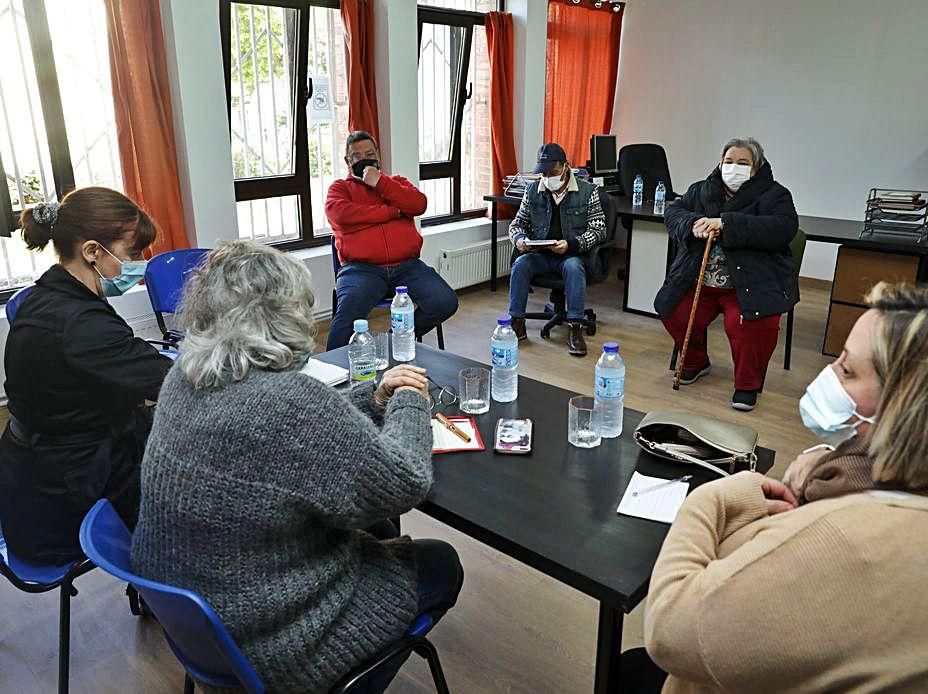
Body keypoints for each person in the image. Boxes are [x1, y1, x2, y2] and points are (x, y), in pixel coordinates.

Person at [131, 241, 463, 694]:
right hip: (264, 637)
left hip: (195, 615)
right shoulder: (289, 401)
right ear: (279, 315)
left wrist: (372, 396)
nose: (310, 318)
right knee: (441, 562)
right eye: (303, 307)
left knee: (380, 530)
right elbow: (404, 481)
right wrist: (409, 401)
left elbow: (293, 437)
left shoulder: (183, 376)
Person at [642, 281, 928, 693]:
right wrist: (832, 452)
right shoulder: (863, 480)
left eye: (847, 370)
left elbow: (670, 631)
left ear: (905, 406)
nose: (828, 375)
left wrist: (708, 500)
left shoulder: (840, 537)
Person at [0, 187, 172, 564]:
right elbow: (169, 380)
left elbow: (120, 358)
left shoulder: (49, 295)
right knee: (187, 500)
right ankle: (173, 595)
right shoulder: (80, 323)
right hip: (61, 497)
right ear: (93, 251)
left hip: (40, 467)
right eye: (132, 254)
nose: (139, 263)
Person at [656, 137, 798, 411]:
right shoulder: (702, 189)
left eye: (742, 163)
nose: (734, 167)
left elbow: (783, 227)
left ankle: (747, 383)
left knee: (749, 325)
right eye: (729, 161)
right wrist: (693, 223)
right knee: (672, 308)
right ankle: (696, 361)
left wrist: (726, 224)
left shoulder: (775, 194)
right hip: (700, 280)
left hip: (749, 283)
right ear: (720, 163)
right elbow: (674, 212)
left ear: (755, 168)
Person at [324, 131, 459, 349]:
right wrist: (391, 212)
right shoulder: (340, 189)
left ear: (378, 155)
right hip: (361, 269)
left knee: (445, 302)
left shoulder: (396, 183)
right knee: (347, 315)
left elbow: (418, 204)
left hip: (408, 266)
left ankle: (391, 340)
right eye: (357, 156)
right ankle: (329, 375)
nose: (364, 159)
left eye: (369, 153)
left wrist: (381, 183)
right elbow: (340, 215)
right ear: (348, 161)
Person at [507, 143, 608, 356]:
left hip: (570, 255)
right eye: (543, 172)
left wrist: (571, 244)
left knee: (573, 268)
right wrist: (520, 239)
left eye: (551, 171)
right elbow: (517, 224)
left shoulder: (587, 191)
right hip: (540, 255)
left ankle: (575, 328)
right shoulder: (532, 190)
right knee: (520, 264)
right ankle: (517, 323)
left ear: (564, 166)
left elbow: (599, 230)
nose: (547, 176)